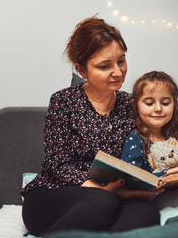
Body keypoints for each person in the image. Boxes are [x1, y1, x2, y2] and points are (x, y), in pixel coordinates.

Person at [20, 16, 160, 236]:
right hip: (54, 197)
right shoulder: (63, 101)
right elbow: (58, 166)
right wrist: (106, 190)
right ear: (82, 70)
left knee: (146, 212)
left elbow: (149, 149)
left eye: (121, 61)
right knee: (104, 202)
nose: (118, 72)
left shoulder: (131, 104)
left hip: (116, 195)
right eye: (105, 66)